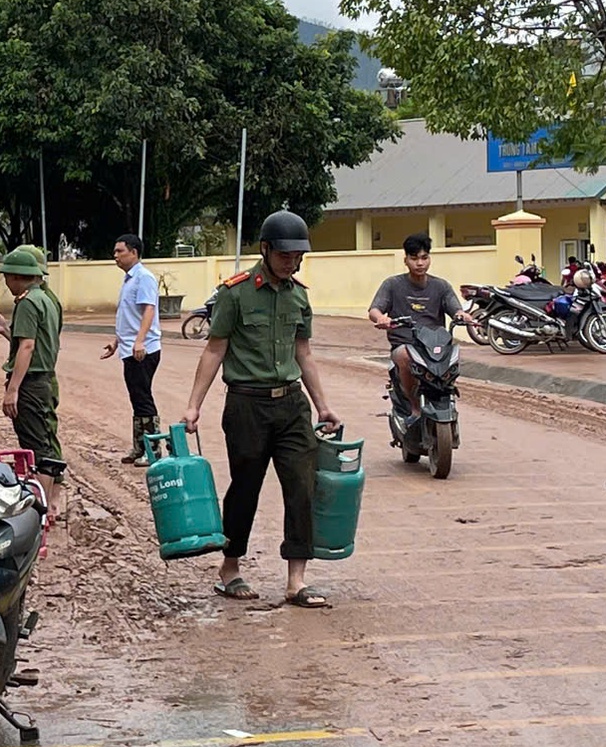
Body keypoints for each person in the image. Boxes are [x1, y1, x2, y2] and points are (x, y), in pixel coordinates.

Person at [181, 210, 342, 609]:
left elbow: (303, 353)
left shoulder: (299, 295)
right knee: (245, 488)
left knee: (302, 487)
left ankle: (296, 580)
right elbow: (214, 349)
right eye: (285, 255)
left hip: (291, 405)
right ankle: (230, 569)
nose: (292, 262)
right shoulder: (235, 293)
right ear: (265, 250)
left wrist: (322, 406)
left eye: (298, 255)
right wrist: (193, 406)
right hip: (246, 405)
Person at [0, 244, 65, 516]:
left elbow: (28, 347)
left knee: (36, 448)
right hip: (43, 380)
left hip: (32, 383)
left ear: (18, 276)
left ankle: (40, 513)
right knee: (44, 440)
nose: (5, 282)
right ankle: (49, 505)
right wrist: (6, 331)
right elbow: (32, 344)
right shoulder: (47, 300)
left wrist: (13, 390)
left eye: (7, 276)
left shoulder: (28, 303)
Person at [368, 233, 462, 422]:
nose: (420, 263)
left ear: (429, 259)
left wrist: (462, 315)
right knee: (404, 355)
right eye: (414, 258)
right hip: (405, 344)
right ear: (406, 260)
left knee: (454, 356)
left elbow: (456, 308)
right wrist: (381, 318)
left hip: (434, 347)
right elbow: (375, 309)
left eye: (424, 258)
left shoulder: (441, 286)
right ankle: (414, 407)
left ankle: (447, 402)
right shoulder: (393, 284)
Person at [101, 235, 163, 465]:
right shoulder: (129, 279)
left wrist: (140, 341)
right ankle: (140, 447)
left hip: (142, 350)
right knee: (137, 399)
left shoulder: (143, 278)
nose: (115, 256)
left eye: (120, 251)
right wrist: (117, 342)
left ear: (134, 252)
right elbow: (129, 316)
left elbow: (148, 310)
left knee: (143, 398)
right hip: (130, 348)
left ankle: (153, 451)